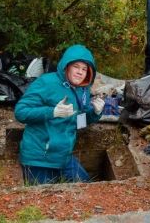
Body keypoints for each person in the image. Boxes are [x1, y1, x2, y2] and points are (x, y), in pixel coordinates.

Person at [14, 44, 106, 185]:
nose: (80, 72)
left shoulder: (83, 90)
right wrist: (52, 112)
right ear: (66, 66)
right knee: (43, 200)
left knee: (86, 188)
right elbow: (21, 112)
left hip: (63, 156)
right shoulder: (46, 82)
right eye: (76, 66)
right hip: (39, 158)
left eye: (84, 69)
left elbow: (79, 122)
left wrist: (95, 113)